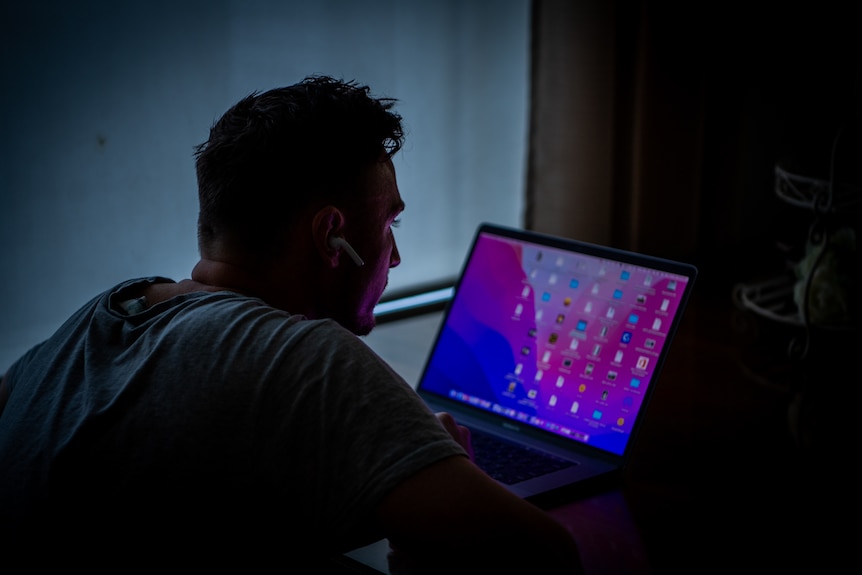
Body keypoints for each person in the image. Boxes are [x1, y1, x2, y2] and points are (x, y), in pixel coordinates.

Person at [0, 75, 583, 573]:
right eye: (391, 226)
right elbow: (546, 557)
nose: (397, 258)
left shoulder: (102, 315)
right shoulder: (306, 360)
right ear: (332, 234)